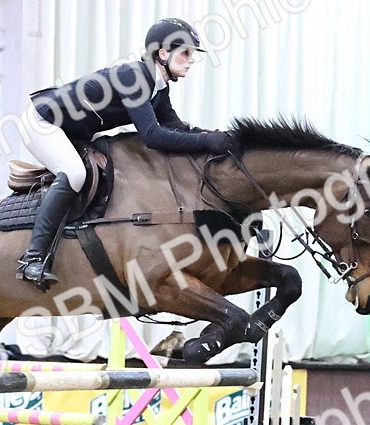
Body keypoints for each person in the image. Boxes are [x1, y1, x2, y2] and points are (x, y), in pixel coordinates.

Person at [17, 17, 236, 286]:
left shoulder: (158, 87)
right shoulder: (133, 77)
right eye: (186, 53)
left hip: (74, 130)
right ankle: (32, 258)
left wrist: (216, 137)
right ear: (164, 54)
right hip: (42, 121)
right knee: (74, 173)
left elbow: (177, 128)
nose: (191, 60)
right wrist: (204, 141)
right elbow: (153, 136)